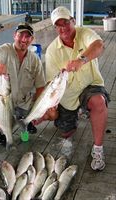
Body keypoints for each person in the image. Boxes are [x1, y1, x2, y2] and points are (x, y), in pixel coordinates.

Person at [45, 6, 110, 171]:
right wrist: (50, 106)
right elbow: (50, 83)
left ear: (73, 21)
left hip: (90, 84)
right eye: (58, 25)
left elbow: (98, 45)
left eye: (66, 22)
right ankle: (75, 116)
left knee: (98, 102)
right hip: (67, 95)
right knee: (66, 132)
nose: (63, 28)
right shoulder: (52, 51)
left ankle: (98, 149)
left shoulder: (85, 33)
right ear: (55, 28)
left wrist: (81, 60)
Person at [0, 22, 58, 146]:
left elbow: (40, 86)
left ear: (32, 39)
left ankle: (26, 124)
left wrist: (40, 107)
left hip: (23, 102)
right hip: (1, 100)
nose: (24, 39)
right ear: (14, 36)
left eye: (28, 36)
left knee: (51, 115)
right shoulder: (4, 49)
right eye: (21, 35)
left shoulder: (35, 59)